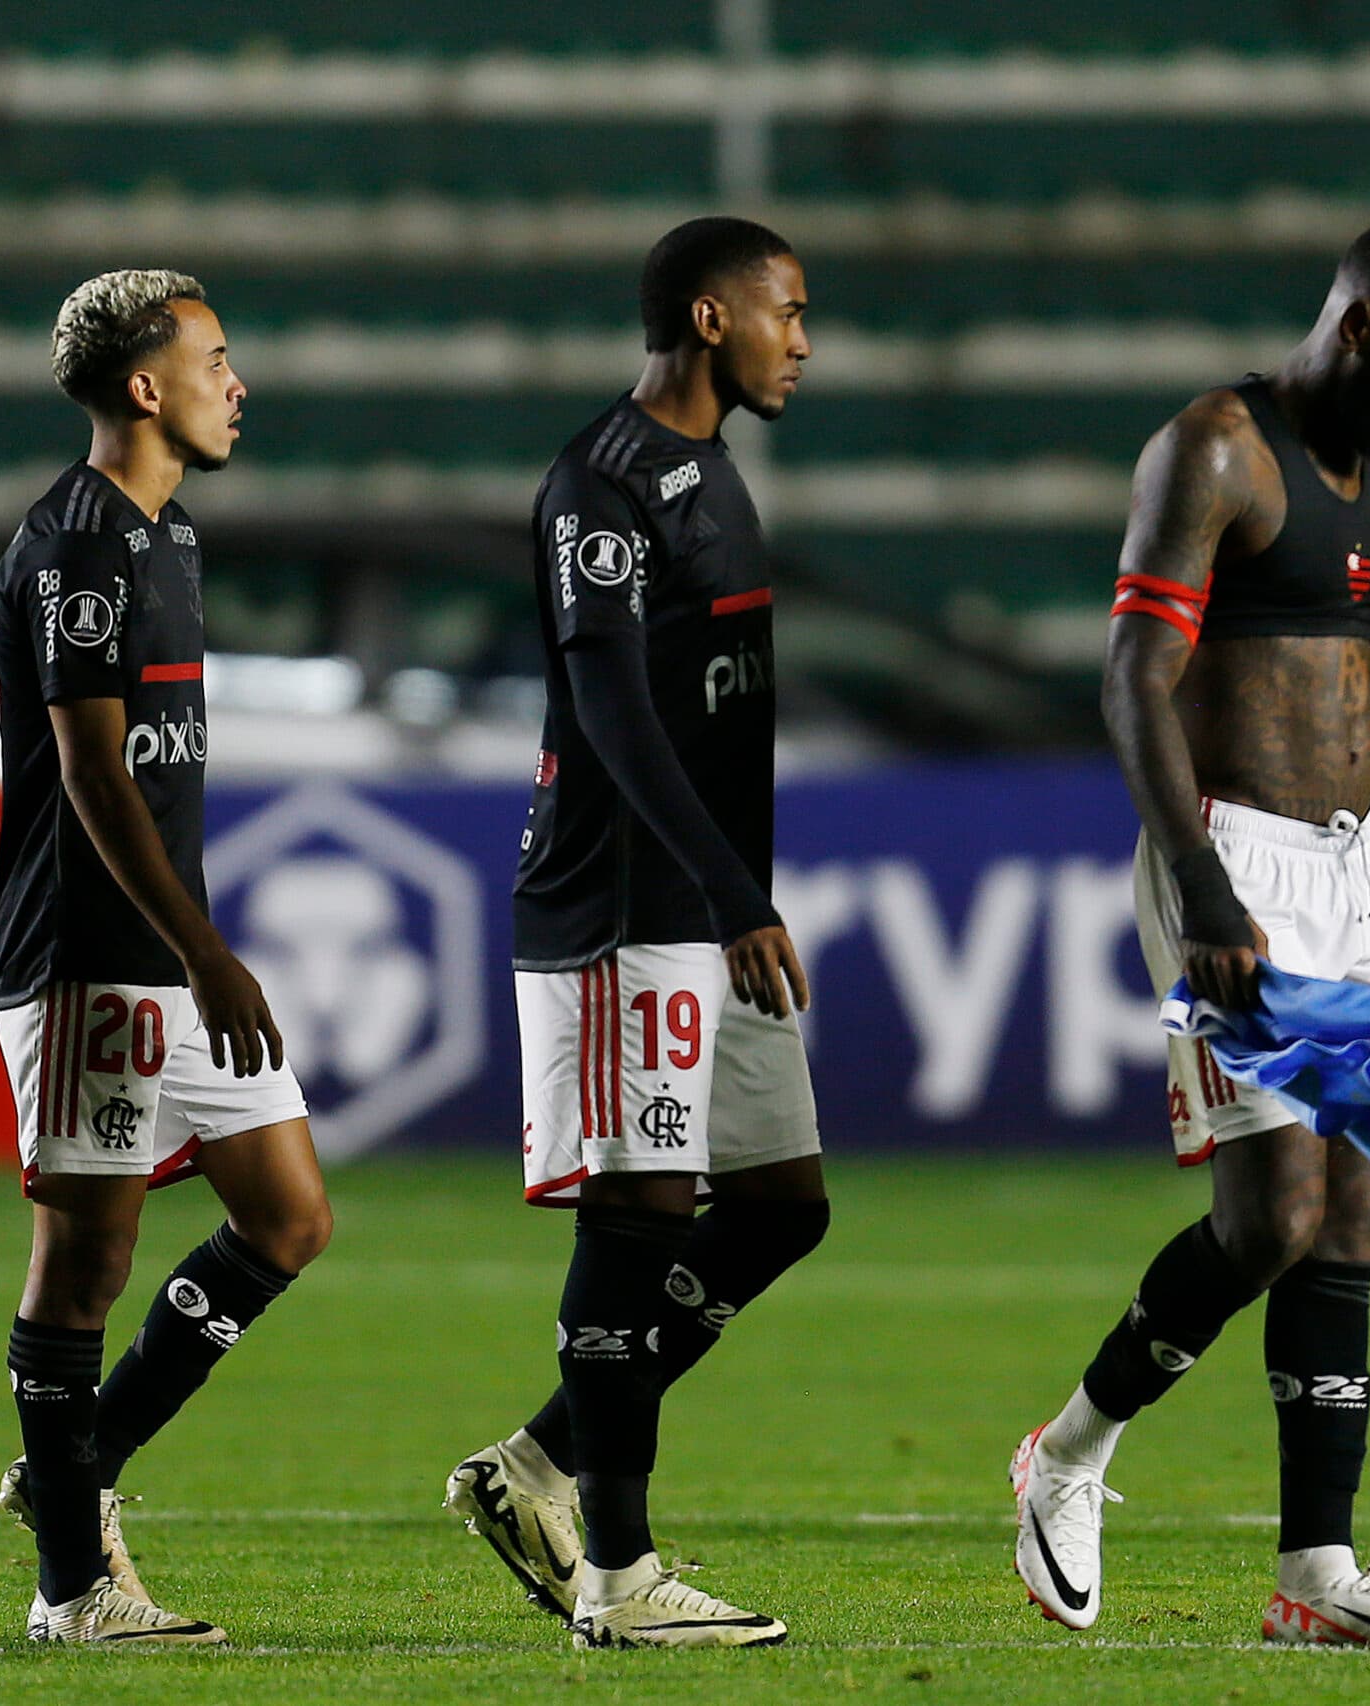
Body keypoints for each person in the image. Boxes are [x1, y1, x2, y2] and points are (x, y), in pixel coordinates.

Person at [1009, 220, 1370, 1648]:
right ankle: (1072, 1448)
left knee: (1351, 1212)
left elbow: (1349, 681)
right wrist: (1203, 880)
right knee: (1269, 1216)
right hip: (1236, 861)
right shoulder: (1215, 449)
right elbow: (1133, 681)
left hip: (1359, 871)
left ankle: (1318, 1572)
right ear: (1354, 327)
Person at [444, 217, 826, 1651]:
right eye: (789, 311)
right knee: (643, 1210)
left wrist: (731, 888)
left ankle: (541, 1459)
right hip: (622, 898)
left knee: (784, 1204)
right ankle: (616, 1568)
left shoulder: (714, 472)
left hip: (704, 899)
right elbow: (611, 708)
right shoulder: (600, 484)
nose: (806, 338)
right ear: (713, 315)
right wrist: (730, 891)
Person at [0, 270, 332, 1646]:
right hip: (91, 951)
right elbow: (91, 772)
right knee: (85, 1260)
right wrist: (207, 950)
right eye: (216, 358)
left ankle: (73, 1468)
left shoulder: (167, 537)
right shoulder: (76, 544)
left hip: (169, 949)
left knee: (289, 1213)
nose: (236, 382)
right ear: (146, 386)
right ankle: (73, 1585)